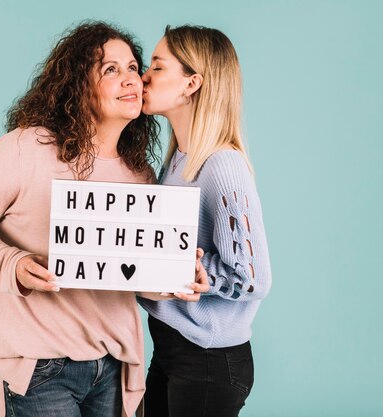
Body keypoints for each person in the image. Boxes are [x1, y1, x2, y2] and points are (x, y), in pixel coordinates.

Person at [0, 21, 206, 417]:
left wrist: (176, 277)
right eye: (110, 69)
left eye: (133, 67)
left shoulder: (140, 173)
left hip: (115, 368)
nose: (130, 78)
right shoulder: (28, 148)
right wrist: (13, 264)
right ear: (78, 85)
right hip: (42, 366)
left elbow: (126, 273)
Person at [137, 25, 273, 417]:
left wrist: (194, 271)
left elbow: (254, 276)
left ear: (191, 84)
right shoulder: (178, 159)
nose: (144, 76)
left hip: (208, 361)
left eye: (158, 67)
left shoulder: (221, 166)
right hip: (174, 350)